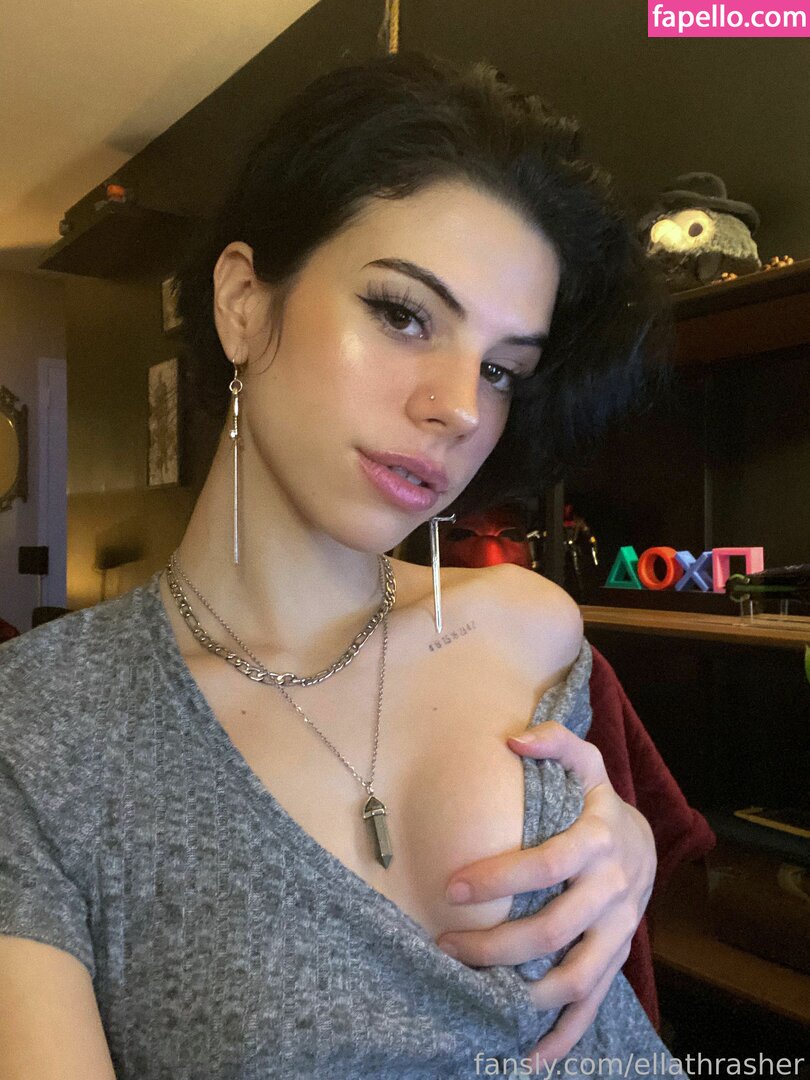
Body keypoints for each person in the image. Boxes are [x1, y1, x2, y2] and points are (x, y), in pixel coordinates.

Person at [0, 52, 676, 1078]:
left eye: (502, 370)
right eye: (403, 313)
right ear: (243, 302)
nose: (458, 407)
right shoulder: (42, 726)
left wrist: (633, 848)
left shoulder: (529, 624)